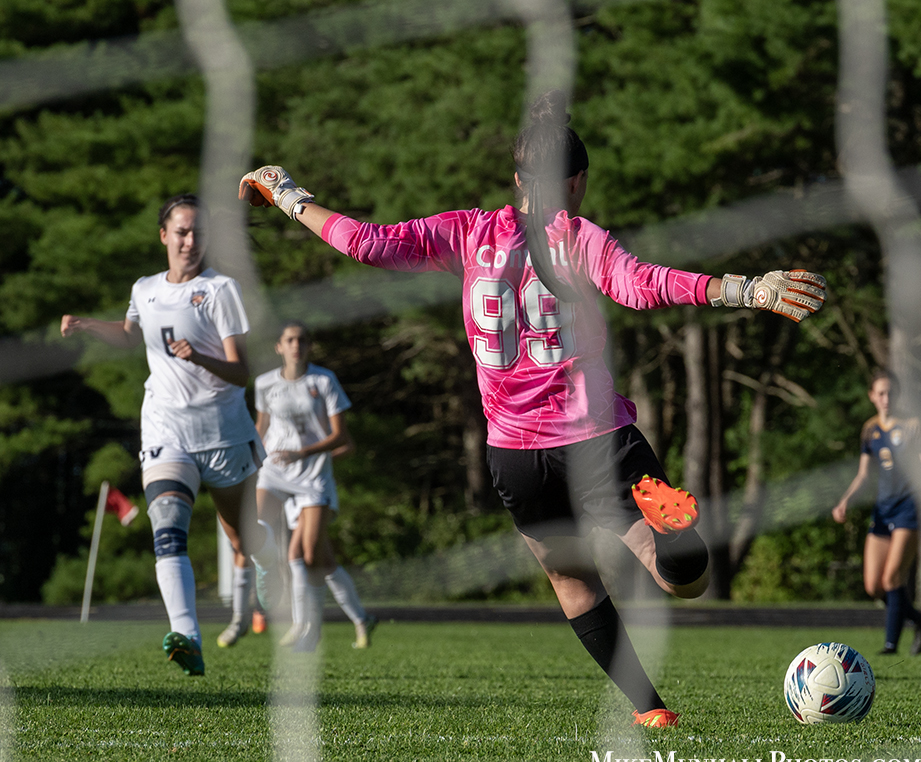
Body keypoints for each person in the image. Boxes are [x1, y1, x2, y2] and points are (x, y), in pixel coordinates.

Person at [237, 90, 826, 725]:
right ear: (576, 182)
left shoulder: (469, 233)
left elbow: (364, 242)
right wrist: (742, 287)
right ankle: (672, 539)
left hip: (515, 455)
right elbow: (644, 285)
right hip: (597, 439)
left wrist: (289, 195)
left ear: (518, 180)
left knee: (573, 583)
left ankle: (650, 710)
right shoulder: (579, 238)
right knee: (684, 580)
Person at [61, 194, 283, 677]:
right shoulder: (145, 289)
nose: (190, 241)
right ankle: (188, 637)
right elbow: (129, 334)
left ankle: (270, 558)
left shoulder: (220, 290)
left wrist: (197, 356)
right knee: (166, 525)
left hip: (222, 432)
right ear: (164, 235)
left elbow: (240, 371)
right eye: (181, 231)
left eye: (198, 233)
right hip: (165, 428)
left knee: (242, 536)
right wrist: (87, 325)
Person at [218, 321, 377, 652]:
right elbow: (261, 428)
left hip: (312, 476)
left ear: (309, 346)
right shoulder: (265, 383)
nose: (296, 345)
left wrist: (302, 453)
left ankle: (318, 625)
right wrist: (248, 460)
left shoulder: (323, 381)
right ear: (279, 346)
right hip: (275, 472)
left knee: (311, 556)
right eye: (289, 340)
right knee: (250, 532)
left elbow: (342, 438)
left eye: (302, 340)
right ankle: (240, 618)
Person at [833, 370, 921, 656]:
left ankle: (890, 645)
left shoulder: (913, 426)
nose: (886, 398)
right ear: (872, 396)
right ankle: (918, 619)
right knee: (873, 586)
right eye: (881, 393)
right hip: (883, 510)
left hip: (909, 509)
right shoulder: (870, 429)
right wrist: (845, 500)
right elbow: (863, 474)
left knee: (892, 578)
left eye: (891, 392)